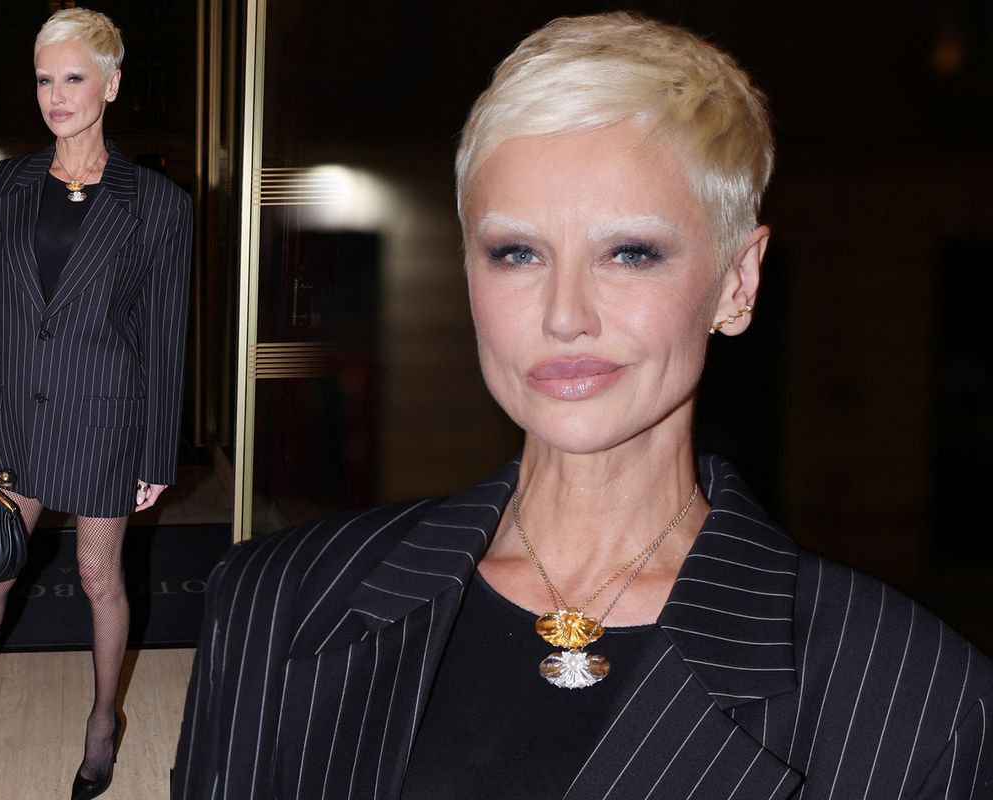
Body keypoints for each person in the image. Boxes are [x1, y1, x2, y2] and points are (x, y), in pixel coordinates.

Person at [170, 11, 992, 800]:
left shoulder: (916, 698)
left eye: (630, 253)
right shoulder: (280, 600)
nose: (565, 315)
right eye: (517, 252)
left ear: (736, 283)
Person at [0, 7, 192, 798]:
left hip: (104, 419)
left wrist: (156, 451)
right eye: (44, 79)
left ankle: (103, 722)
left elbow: (165, 336)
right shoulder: (2, 186)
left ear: (111, 84)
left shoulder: (158, 203)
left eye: (74, 77)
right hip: (15, 419)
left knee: (98, 577)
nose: (56, 95)